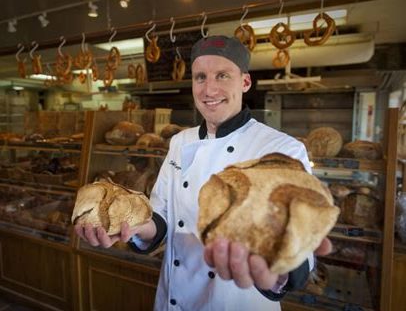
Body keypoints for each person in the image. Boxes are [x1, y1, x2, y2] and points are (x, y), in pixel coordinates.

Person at [75, 35, 332, 310]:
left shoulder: (281, 148)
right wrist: (133, 227)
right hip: (173, 298)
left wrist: (282, 269)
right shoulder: (180, 142)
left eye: (222, 76)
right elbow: (161, 216)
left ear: (245, 82)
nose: (209, 89)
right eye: (200, 77)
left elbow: (300, 238)